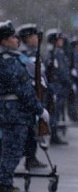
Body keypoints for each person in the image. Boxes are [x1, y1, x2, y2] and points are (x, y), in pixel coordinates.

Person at [0, 21, 50, 192]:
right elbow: (23, 90)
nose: (17, 40)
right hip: (14, 114)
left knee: (10, 150)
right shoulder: (9, 62)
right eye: (13, 37)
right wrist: (39, 109)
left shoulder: (10, 59)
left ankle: (4, 185)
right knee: (13, 151)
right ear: (4, 41)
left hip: (10, 112)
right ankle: (4, 188)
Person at [15, 24, 47, 170]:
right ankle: (28, 157)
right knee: (28, 130)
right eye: (33, 36)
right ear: (27, 38)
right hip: (27, 97)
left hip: (34, 95)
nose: (36, 39)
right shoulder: (24, 56)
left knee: (32, 129)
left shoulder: (34, 53)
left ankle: (31, 157)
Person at [44, 29, 71, 145]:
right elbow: (60, 72)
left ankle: (54, 134)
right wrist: (67, 82)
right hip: (56, 86)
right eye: (59, 39)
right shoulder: (55, 54)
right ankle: (53, 135)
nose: (62, 41)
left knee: (57, 111)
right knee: (54, 111)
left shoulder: (57, 53)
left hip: (59, 86)